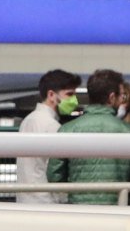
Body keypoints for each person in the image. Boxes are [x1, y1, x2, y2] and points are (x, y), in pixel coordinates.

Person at [46, 69, 130, 204]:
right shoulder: (129, 131)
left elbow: (54, 176)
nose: (121, 100)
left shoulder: (67, 130)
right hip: (117, 208)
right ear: (112, 97)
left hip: (79, 209)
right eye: (121, 96)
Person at [12, 68, 79, 205]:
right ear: (51, 95)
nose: (74, 100)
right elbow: (55, 171)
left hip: (25, 199)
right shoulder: (52, 126)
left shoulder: (28, 120)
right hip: (47, 201)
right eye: (69, 94)